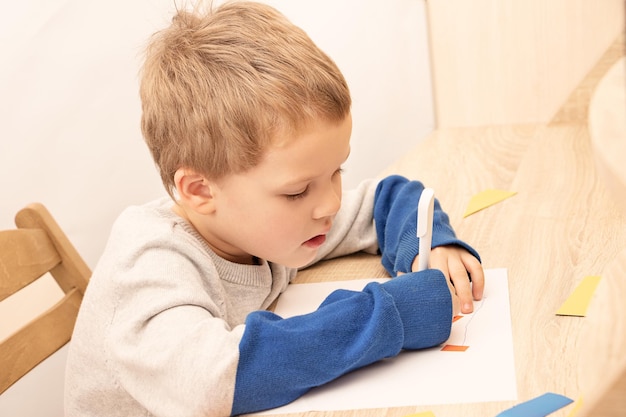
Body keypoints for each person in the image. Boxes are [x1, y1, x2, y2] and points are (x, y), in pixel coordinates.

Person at [64, 1, 484, 416]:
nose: (331, 203)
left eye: (337, 171)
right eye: (298, 191)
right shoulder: (150, 267)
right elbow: (217, 382)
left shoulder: (262, 223)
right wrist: (392, 314)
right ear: (199, 190)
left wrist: (429, 245)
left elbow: (385, 199)